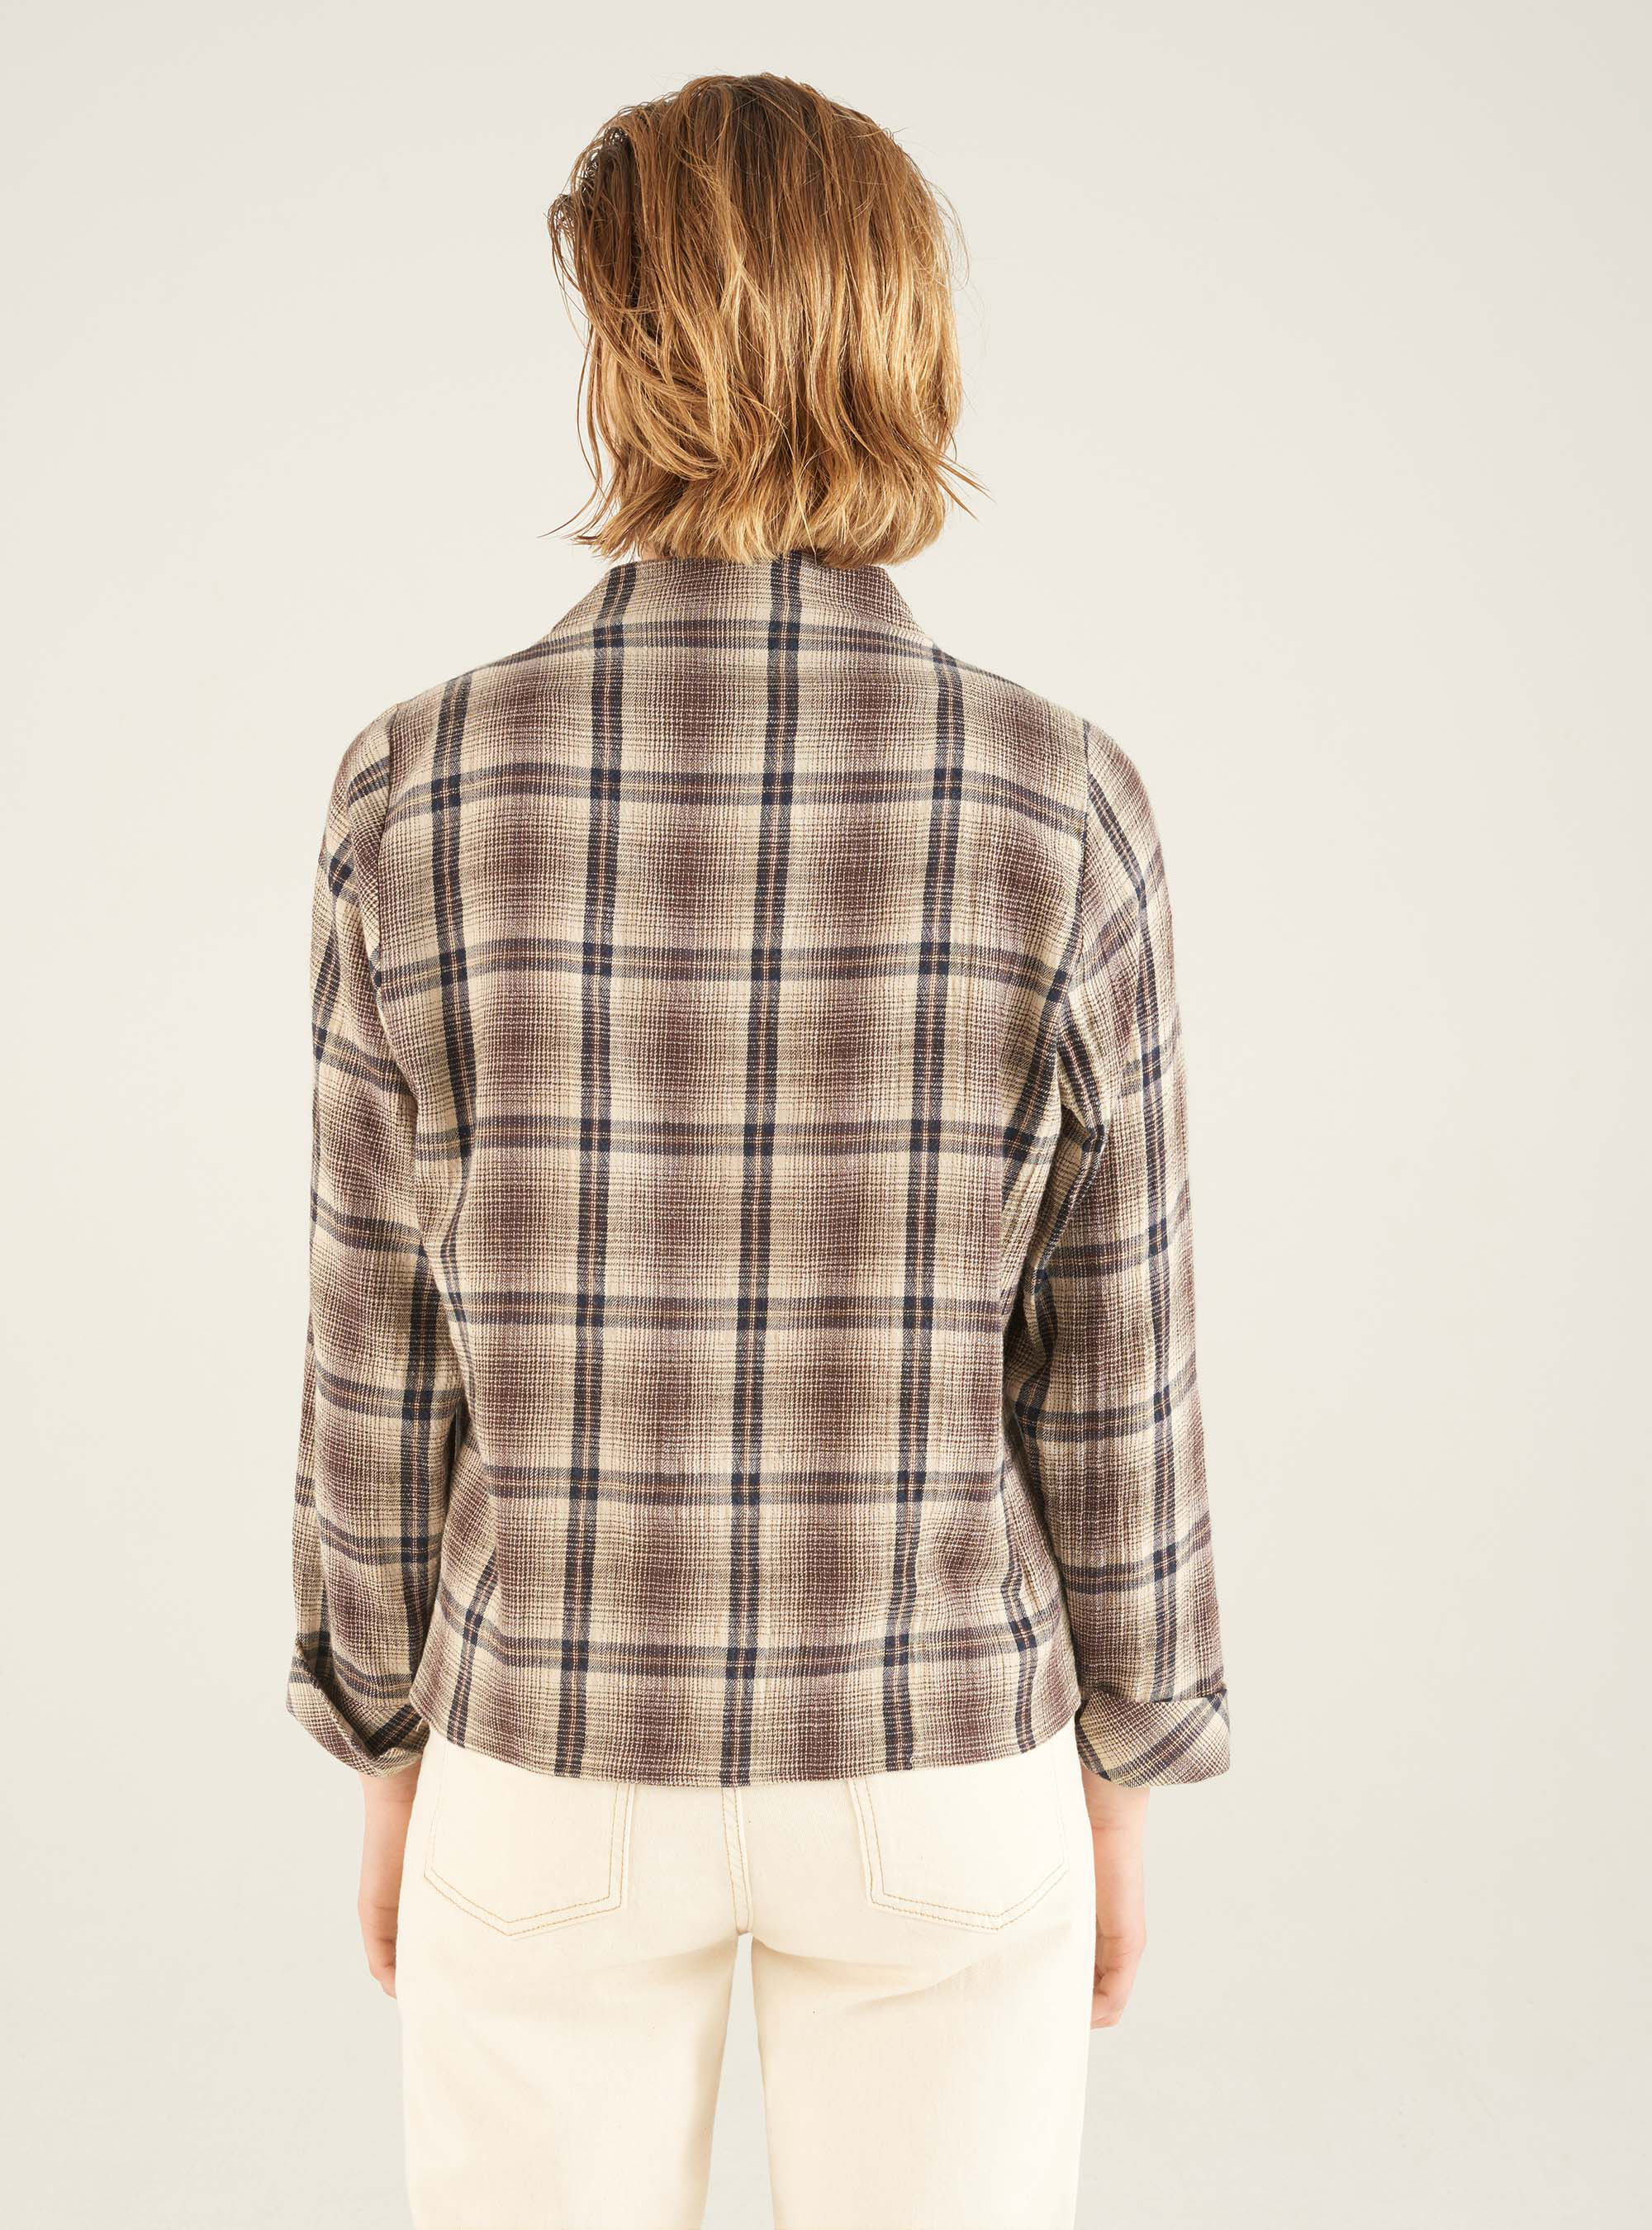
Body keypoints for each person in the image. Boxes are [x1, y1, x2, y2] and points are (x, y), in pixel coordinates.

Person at [286, 70, 1230, 2230]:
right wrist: (1127, 1760)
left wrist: (387, 1737)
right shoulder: (1061, 798)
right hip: (937, 1742)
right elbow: (1120, 1357)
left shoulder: (413, 787)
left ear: (622, 352)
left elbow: (373, 1343)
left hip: (547, 1735)